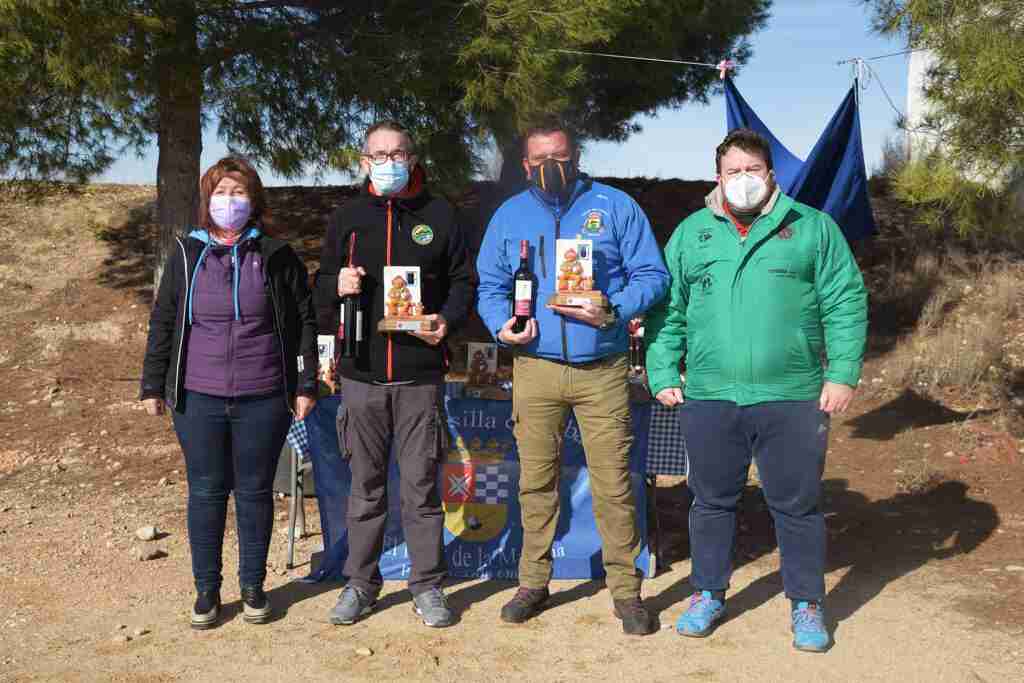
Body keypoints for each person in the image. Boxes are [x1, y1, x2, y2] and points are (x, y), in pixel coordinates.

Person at [644, 128, 868, 652]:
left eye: (753, 170)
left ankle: (807, 603)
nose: (743, 180)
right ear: (717, 178)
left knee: (797, 505)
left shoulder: (813, 228)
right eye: (732, 171)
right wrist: (662, 372)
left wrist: (842, 373)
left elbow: (845, 302)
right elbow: (667, 310)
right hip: (710, 394)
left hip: (791, 394)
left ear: (771, 174)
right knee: (711, 501)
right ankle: (708, 592)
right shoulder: (692, 233)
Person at [476, 120, 670, 636]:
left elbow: (653, 276)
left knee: (613, 484)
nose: (550, 169)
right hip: (535, 367)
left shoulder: (614, 207)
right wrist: (502, 326)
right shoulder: (509, 215)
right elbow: (490, 286)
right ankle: (533, 583)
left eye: (559, 157)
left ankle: (626, 592)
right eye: (539, 161)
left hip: (601, 369)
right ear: (525, 166)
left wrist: (614, 307)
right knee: (535, 482)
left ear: (577, 155)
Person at [140, 156, 318, 630]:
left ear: (254, 199)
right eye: (220, 192)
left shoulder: (278, 255)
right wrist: (152, 382)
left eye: (238, 192)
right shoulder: (185, 254)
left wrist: (306, 383)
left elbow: (303, 323)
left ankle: (254, 586)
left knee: (256, 491)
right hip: (197, 396)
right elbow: (163, 320)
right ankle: (207, 591)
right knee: (206, 491)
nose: (229, 202)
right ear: (207, 201)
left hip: (264, 394)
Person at [315, 121, 473, 628]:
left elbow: (463, 282)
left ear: (412, 157)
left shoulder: (440, 214)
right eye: (378, 155)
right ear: (363, 162)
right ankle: (360, 583)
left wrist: (445, 320)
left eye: (397, 153)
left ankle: (426, 586)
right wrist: (336, 284)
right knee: (365, 488)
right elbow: (318, 292)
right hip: (361, 377)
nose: (389, 162)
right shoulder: (348, 217)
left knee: (422, 488)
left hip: (419, 377)